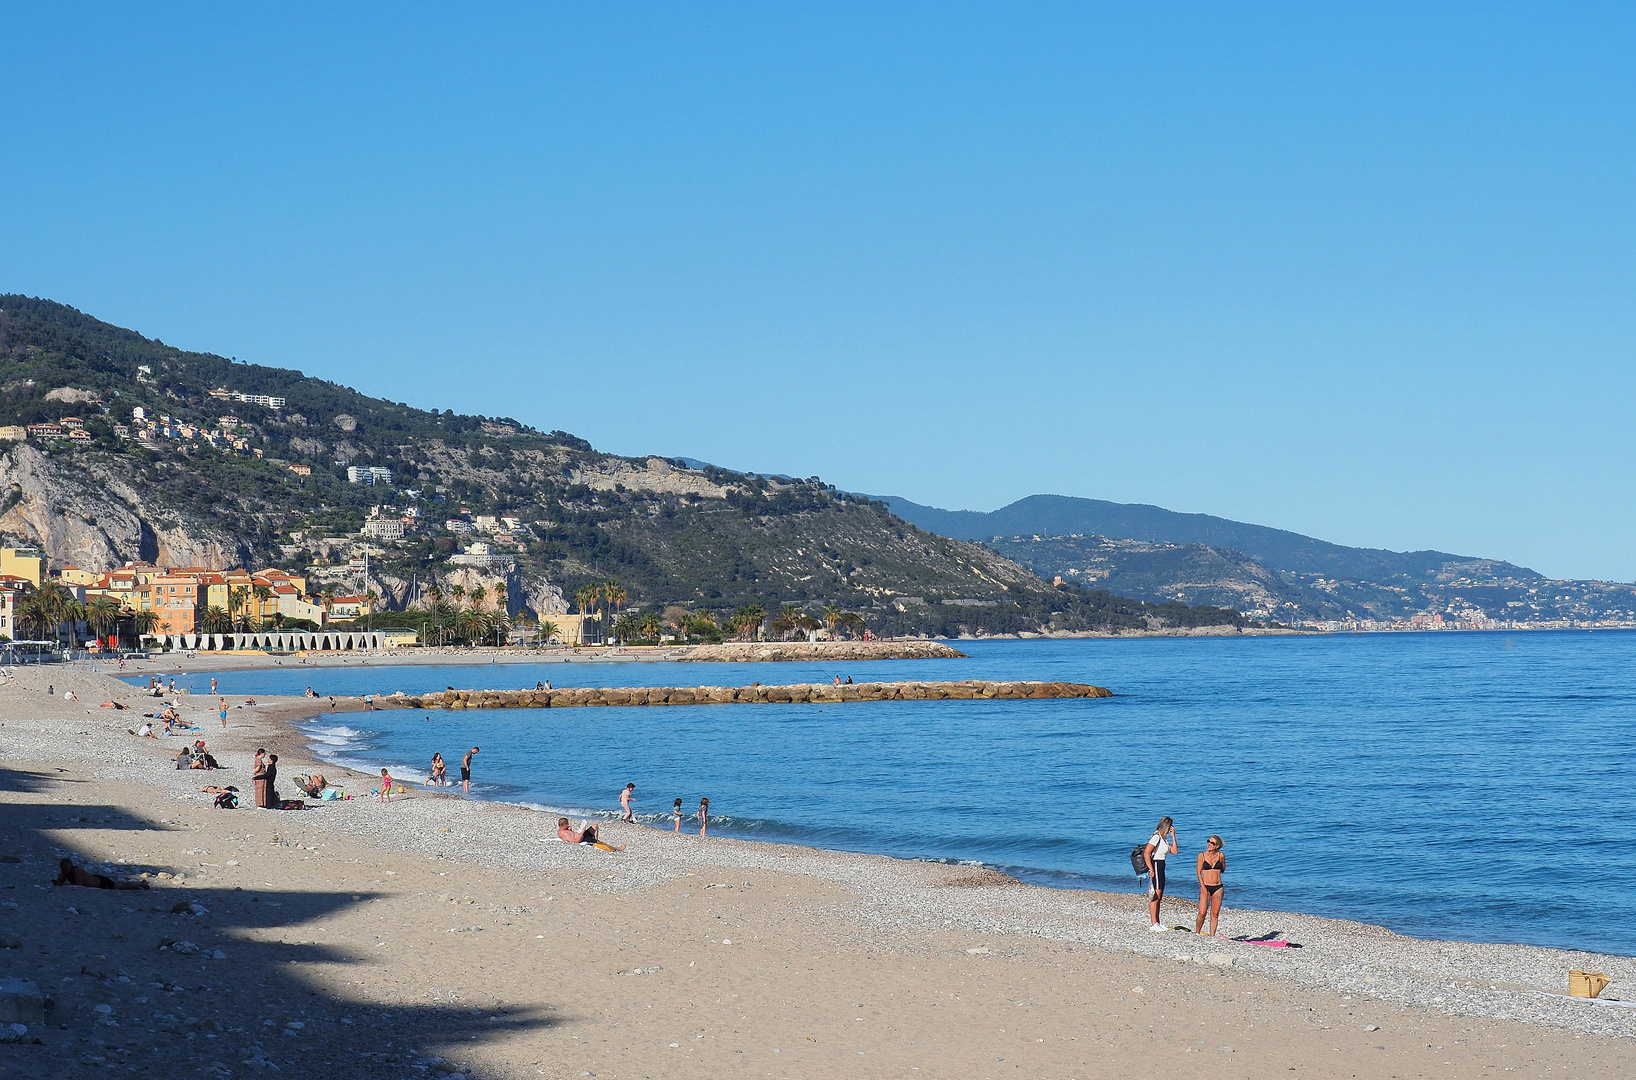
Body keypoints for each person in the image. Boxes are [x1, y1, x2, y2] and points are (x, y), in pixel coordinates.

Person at [1144, 816, 1177, 931]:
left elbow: (1174, 851)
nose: (1171, 829)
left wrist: (1173, 836)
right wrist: (1151, 869)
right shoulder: (1156, 837)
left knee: (1160, 895)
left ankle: (1158, 922)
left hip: (1162, 865)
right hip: (1156, 865)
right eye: (1170, 827)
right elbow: (1146, 853)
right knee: (1156, 896)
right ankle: (1154, 923)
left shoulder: (1164, 838)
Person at [1195, 835, 1227, 936]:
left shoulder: (1221, 855)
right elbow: (1198, 872)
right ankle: (1197, 932)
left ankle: (1212, 935)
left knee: (1215, 913)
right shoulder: (1202, 855)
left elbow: (1223, 869)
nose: (1209, 844)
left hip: (1218, 886)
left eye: (1212, 843)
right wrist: (1203, 887)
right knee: (1202, 912)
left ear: (1217, 846)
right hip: (1205, 886)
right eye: (1208, 841)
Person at [54, 858, 148, 890]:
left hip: (101, 883)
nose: (63, 870)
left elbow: (78, 885)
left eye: (65, 868)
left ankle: (141, 883)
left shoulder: (77, 871)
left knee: (121, 886)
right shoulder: (66, 873)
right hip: (94, 879)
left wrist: (62, 884)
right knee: (121, 885)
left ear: (70, 866)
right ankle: (137, 885)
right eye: (62, 868)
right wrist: (60, 879)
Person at [556, 817, 624, 851]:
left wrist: (570, 830)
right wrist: (582, 832)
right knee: (600, 844)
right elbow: (576, 841)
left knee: (595, 826)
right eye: (567, 824)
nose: (568, 825)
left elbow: (571, 836)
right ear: (564, 824)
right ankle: (616, 848)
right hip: (583, 838)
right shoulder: (565, 834)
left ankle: (596, 839)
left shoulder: (562, 830)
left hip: (581, 835)